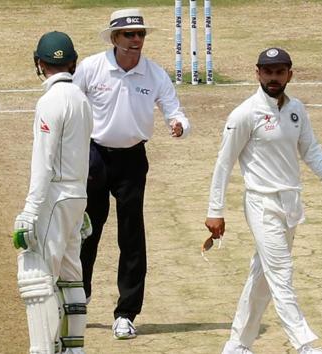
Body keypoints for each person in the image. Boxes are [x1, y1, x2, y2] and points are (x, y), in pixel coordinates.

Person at [205, 48, 322, 354]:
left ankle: (237, 345)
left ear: (290, 74)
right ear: (257, 73)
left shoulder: (296, 108)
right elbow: (224, 163)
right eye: (267, 71)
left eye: (279, 71)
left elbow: (311, 150)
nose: (273, 77)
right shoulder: (244, 114)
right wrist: (215, 211)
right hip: (261, 204)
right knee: (281, 273)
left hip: (290, 204)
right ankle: (304, 345)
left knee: (262, 277)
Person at [72, 8, 191, 339]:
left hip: (132, 161)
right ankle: (79, 296)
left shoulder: (154, 74)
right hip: (95, 156)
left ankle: (126, 313)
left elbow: (173, 107)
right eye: (129, 35)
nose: (136, 40)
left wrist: (178, 124)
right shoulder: (92, 68)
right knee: (87, 230)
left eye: (140, 34)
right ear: (115, 38)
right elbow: (70, 102)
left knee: (132, 235)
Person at [13, 31, 93, 354]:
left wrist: (31, 211)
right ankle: (74, 349)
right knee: (71, 275)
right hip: (76, 196)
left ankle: (41, 349)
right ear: (73, 62)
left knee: (36, 274)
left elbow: (44, 162)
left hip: (56, 197)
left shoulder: (49, 101)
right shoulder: (82, 100)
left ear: (38, 64)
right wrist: (78, 204)